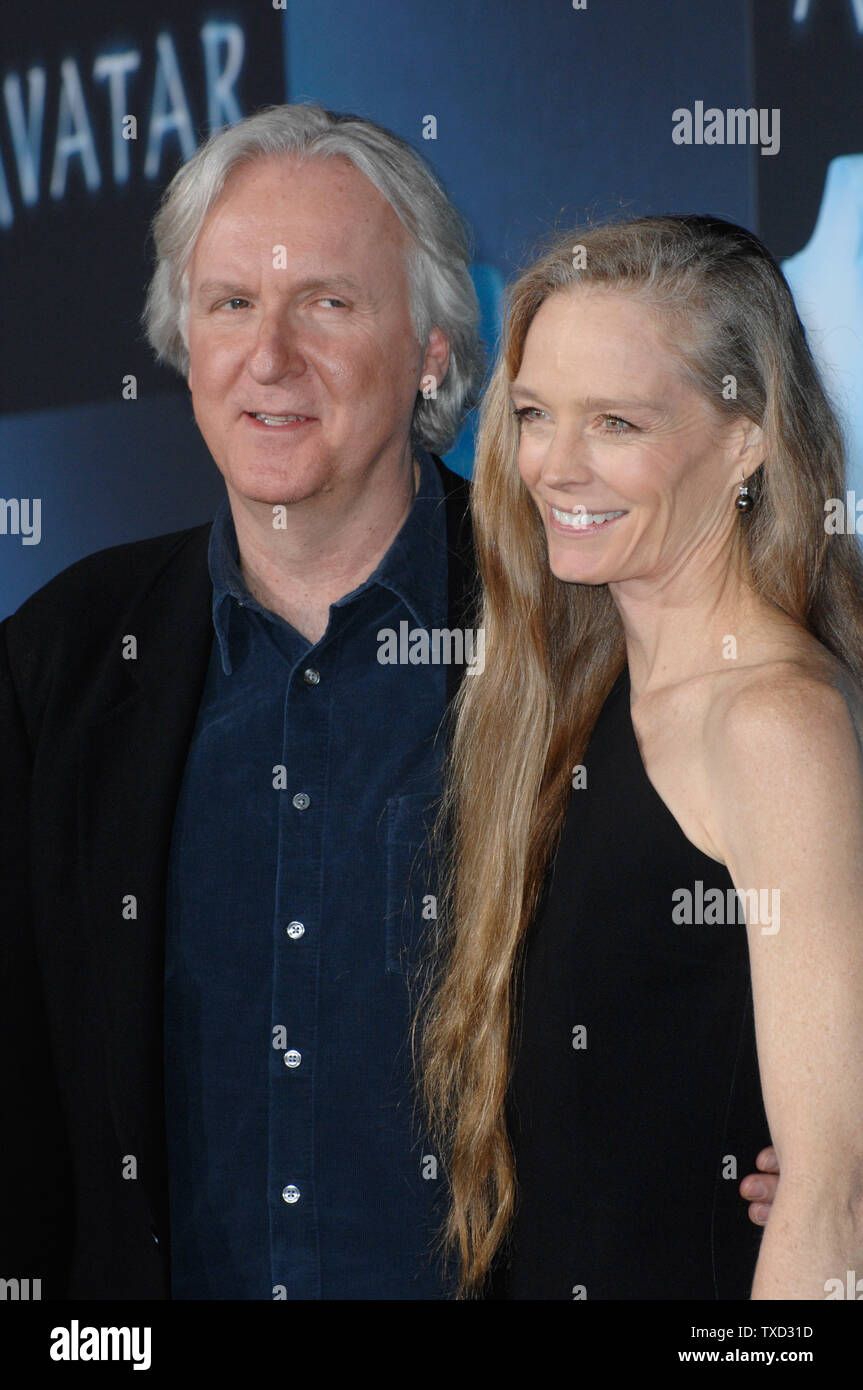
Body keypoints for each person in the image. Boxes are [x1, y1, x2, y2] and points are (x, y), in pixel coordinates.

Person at [0, 105, 775, 1301]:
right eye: (228, 304)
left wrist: (828, 1152)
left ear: (429, 347)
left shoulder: (599, 630)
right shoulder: (61, 664)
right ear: (180, 336)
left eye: (326, 302)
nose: (269, 357)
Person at [420, 214, 863, 1300]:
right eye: (532, 415)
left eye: (614, 422)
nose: (553, 467)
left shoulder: (770, 722)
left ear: (745, 436)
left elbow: (823, 1208)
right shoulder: (571, 685)